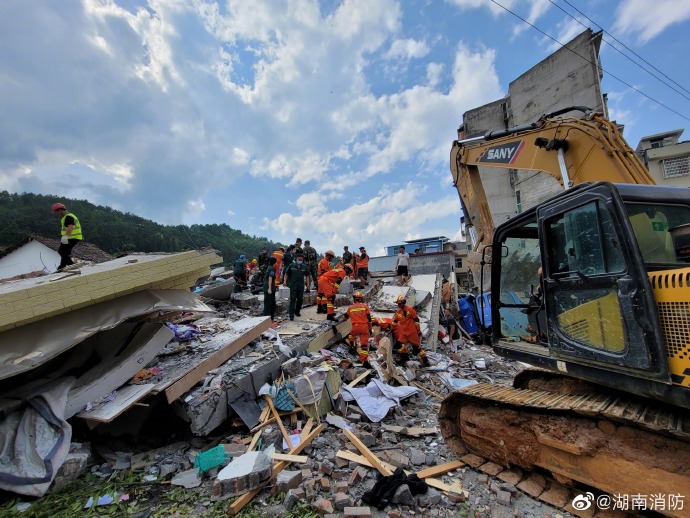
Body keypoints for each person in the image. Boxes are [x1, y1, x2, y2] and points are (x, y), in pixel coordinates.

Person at [392, 295, 429, 366]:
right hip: (404, 333)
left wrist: (418, 330)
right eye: (398, 304)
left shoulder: (410, 309)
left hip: (412, 332)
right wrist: (391, 328)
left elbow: (416, 320)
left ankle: (425, 361)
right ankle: (404, 358)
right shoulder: (398, 312)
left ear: (403, 303)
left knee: (417, 348)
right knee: (399, 344)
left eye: (399, 303)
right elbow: (395, 321)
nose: (398, 305)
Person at [344, 291, 373, 367]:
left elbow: (345, 317)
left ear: (354, 299)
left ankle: (353, 346)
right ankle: (363, 359)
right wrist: (370, 329)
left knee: (350, 335)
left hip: (355, 327)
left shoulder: (350, 308)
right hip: (364, 327)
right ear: (361, 299)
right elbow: (369, 319)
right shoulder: (365, 306)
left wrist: (344, 319)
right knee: (364, 344)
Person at [52, 203, 83, 271]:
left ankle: (72, 266)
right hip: (72, 237)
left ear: (60, 210)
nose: (57, 213)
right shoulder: (69, 216)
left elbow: (71, 227)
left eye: (57, 211)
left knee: (62, 251)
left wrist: (65, 236)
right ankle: (61, 267)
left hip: (71, 238)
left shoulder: (68, 217)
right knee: (65, 252)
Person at [284, 251, 309, 320]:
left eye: (301, 260)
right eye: (299, 259)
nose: (300, 261)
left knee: (300, 299)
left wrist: (308, 285)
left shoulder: (304, 267)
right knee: (293, 300)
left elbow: (307, 276)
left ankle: (297, 311)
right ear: (296, 259)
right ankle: (291, 315)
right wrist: (284, 282)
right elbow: (286, 274)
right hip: (293, 286)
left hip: (301, 286)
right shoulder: (291, 266)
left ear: (303, 260)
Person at [263, 257, 277, 322]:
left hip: (270, 287)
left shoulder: (270, 267)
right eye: (276, 262)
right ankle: (265, 320)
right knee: (268, 304)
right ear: (274, 262)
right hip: (269, 288)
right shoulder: (271, 268)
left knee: (273, 304)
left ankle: (270, 319)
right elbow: (270, 279)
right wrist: (269, 289)